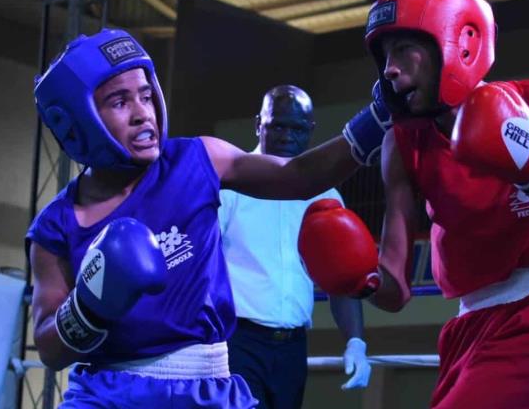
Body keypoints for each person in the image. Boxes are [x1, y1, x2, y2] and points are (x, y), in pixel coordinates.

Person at [26, 29, 381, 408]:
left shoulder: (197, 161)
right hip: (105, 394)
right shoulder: (56, 226)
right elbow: (50, 349)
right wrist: (88, 307)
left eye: (146, 96)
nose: (142, 113)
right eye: (119, 102)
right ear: (79, 119)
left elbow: (298, 175)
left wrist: (380, 116)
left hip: (203, 388)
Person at [348, 0, 529, 408]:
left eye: (405, 49)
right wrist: (355, 275)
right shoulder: (404, 145)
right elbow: (395, 292)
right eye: (384, 56)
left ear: (457, 42)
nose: (389, 69)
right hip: (467, 330)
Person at [218, 85, 371, 409]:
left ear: (311, 130)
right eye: (278, 125)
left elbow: (341, 278)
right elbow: (199, 267)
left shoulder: (324, 195)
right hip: (236, 342)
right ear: (259, 123)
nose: (288, 135)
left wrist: (355, 341)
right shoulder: (230, 185)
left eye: (297, 128)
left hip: (292, 349)